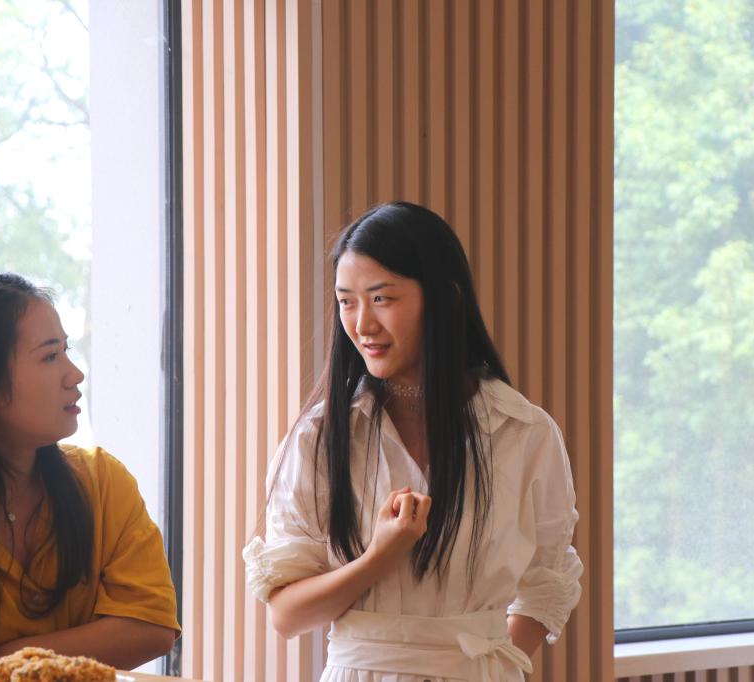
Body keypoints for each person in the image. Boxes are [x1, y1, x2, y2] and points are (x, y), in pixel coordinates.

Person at [243, 202, 583, 681]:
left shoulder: (526, 432)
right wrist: (380, 555)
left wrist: (486, 665)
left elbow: (547, 586)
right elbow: (287, 615)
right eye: (346, 301)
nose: (362, 324)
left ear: (445, 298)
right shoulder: (319, 438)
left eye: (382, 298)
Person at [0, 273, 179, 669]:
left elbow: (151, 626)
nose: (75, 374)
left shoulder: (101, 480)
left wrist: (1, 661)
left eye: (66, 351)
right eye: (50, 356)